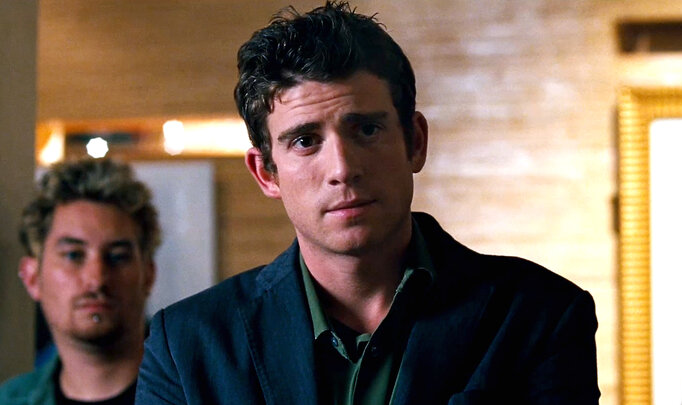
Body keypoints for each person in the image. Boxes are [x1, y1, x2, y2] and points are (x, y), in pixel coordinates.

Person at [136, 2, 600, 404]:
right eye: (305, 141)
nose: (343, 168)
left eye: (366, 129)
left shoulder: (540, 316)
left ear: (415, 142)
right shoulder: (186, 345)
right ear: (266, 173)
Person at [0, 159, 160, 405]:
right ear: (32, 278)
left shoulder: (200, 393)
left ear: (148, 275)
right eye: (73, 255)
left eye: (118, 256)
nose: (97, 279)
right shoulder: (11, 400)